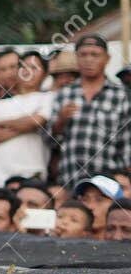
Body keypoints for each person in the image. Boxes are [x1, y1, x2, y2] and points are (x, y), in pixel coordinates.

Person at [52, 34, 130, 189]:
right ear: (77, 58)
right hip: (69, 180)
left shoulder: (121, 94)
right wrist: (60, 120)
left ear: (107, 58)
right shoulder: (64, 94)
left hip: (109, 182)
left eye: (95, 55)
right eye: (83, 54)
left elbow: (127, 142)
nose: (89, 59)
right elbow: (49, 141)